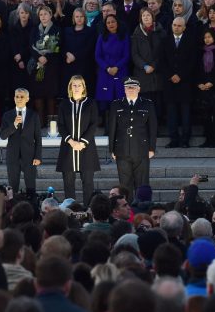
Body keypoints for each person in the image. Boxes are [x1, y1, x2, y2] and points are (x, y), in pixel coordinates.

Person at [108, 78, 157, 203]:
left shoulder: (147, 104)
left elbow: (152, 128)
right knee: (125, 184)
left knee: (142, 183)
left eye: (133, 87)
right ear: (124, 90)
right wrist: (112, 149)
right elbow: (112, 128)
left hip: (141, 149)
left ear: (138, 89)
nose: (130, 90)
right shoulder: (116, 104)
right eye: (128, 88)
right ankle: (127, 210)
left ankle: (143, 210)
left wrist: (152, 148)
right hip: (122, 149)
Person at [56, 76, 100, 206]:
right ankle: (71, 210)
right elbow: (61, 125)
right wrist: (71, 141)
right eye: (74, 85)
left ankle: (88, 210)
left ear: (83, 87)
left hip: (86, 148)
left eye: (79, 85)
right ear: (70, 87)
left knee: (88, 183)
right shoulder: (64, 104)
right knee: (68, 183)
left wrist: (82, 142)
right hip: (68, 148)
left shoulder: (91, 103)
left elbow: (93, 124)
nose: (76, 88)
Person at [161, 16, 197, 148]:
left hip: (185, 82)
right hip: (170, 83)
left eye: (179, 25)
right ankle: (174, 139)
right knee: (171, 113)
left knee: (186, 112)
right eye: (174, 25)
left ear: (184, 27)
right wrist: (171, 75)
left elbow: (192, 61)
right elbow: (162, 61)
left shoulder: (191, 41)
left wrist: (180, 75)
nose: (176, 27)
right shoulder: (165, 40)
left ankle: (185, 139)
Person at [0, 88, 42, 195]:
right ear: (14, 98)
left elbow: (38, 138)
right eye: (17, 96)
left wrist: (38, 156)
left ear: (27, 99)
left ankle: (32, 209)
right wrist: (13, 125)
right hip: (13, 156)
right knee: (13, 188)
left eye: (22, 97)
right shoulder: (7, 115)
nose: (19, 99)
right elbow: (3, 136)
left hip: (29, 156)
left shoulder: (34, 115)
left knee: (31, 187)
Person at [29, 5, 61, 123]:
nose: (43, 17)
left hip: (51, 66)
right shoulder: (34, 30)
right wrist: (39, 57)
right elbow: (31, 46)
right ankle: (40, 121)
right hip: (38, 66)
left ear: (50, 15)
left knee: (51, 94)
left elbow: (57, 47)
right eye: (41, 14)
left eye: (45, 14)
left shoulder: (56, 29)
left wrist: (46, 58)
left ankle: (51, 123)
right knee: (38, 94)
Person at [95, 14, 130, 123]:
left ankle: (121, 125)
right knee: (107, 100)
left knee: (120, 99)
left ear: (117, 23)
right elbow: (97, 55)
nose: (111, 24)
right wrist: (107, 68)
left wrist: (117, 67)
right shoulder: (102, 37)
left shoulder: (124, 36)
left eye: (113, 22)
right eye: (108, 22)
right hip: (105, 73)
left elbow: (127, 55)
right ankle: (107, 126)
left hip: (120, 72)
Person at [131, 8, 165, 110]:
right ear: (141, 18)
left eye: (148, 15)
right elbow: (134, 54)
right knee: (145, 103)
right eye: (143, 15)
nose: (146, 17)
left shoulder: (161, 32)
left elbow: (163, 52)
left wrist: (154, 66)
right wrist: (144, 66)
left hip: (157, 72)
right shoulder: (136, 34)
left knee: (157, 102)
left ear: (152, 17)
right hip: (142, 73)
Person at [63, 7, 97, 93]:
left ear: (84, 18)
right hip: (69, 64)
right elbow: (62, 45)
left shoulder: (91, 31)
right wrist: (67, 54)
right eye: (77, 16)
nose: (79, 18)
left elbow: (89, 48)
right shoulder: (67, 30)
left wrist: (75, 56)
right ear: (73, 18)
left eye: (81, 16)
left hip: (84, 66)